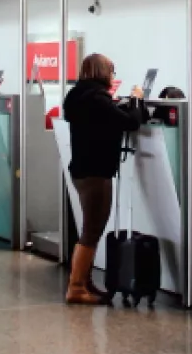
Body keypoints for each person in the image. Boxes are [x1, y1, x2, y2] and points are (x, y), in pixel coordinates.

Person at [62, 53, 147, 305]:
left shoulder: (78, 95)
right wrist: (137, 100)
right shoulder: (97, 99)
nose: (113, 75)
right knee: (92, 229)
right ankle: (76, 287)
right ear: (103, 72)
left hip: (81, 170)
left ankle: (84, 283)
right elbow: (131, 122)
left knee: (90, 227)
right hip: (96, 172)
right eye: (112, 70)